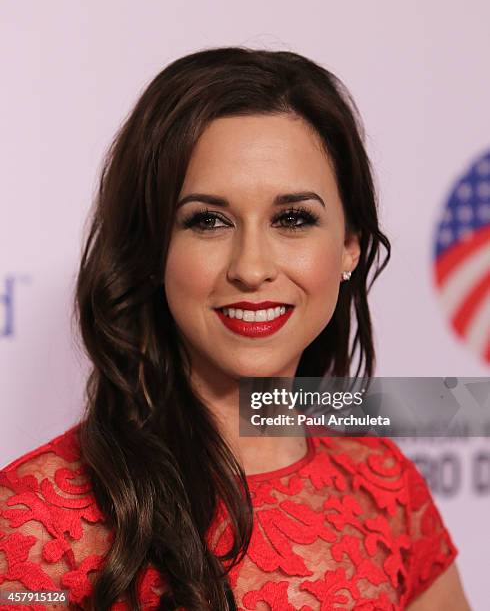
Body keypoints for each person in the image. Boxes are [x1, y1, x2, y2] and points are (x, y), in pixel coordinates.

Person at [0, 47, 470, 610]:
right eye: (208, 221)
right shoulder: (36, 520)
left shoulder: (386, 489)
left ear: (350, 247)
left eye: (293, 218)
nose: (251, 267)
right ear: (152, 249)